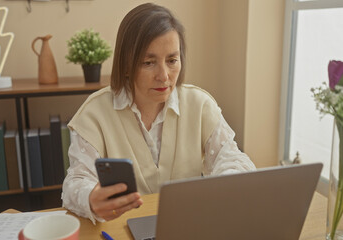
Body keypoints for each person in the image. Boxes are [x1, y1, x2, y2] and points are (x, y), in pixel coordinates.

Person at [62, 3, 256, 224]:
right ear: (126, 64)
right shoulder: (94, 113)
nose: (164, 76)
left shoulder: (199, 104)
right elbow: (75, 182)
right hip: (121, 230)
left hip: (186, 226)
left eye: (172, 61)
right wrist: (90, 198)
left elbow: (233, 158)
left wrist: (227, 184)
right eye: (148, 63)